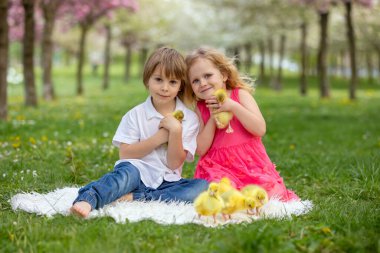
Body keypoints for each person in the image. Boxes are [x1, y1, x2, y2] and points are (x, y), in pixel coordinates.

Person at [70, 47, 209, 218]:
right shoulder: (135, 114)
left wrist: (175, 132)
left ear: (180, 85)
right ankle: (89, 198)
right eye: (158, 79)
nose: (165, 88)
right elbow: (125, 153)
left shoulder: (189, 118)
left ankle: (139, 197)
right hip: (136, 172)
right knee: (121, 177)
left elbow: (174, 164)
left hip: (167, 181)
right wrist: (159, 138)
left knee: (201, 187)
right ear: (147, 80)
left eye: (173, 82)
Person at [183, 47, 299, 202]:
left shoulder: (240, 95)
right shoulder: (201, 108)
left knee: (272, 194)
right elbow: (201, 149)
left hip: (250, 164)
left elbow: (260, 129)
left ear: (223, 75)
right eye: (195, 80)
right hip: (218, 166)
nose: (202, 83)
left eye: (208, 75)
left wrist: (233, 107)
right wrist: (212, 118)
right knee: (219, 191)